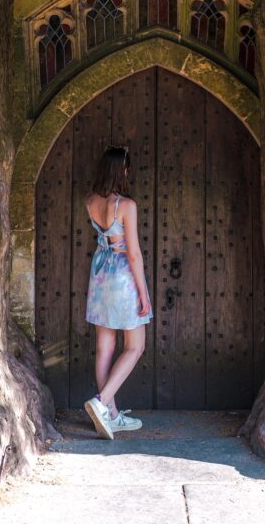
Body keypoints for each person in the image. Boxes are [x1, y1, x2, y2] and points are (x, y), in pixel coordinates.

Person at [83, 145, 153, 439]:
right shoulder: (126, 206)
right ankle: (101, 403)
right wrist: (144, 294)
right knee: (135, 346)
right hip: (123, 277)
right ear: (121, 170)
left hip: (100, 277)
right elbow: (133, 254)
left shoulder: (90, 201)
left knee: (105, 348)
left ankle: (110, 415)